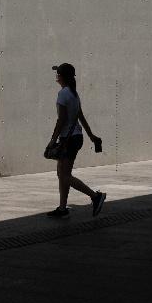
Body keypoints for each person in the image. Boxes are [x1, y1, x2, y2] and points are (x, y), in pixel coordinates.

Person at [46, 63, 106, 218]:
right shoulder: (73, 94)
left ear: (63, 77)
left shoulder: (63, 94)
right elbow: (81, 117)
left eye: (58, 73)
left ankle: (95, 196)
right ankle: (62, 208)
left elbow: (61, 120)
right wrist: (91, 136)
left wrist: (53, 140)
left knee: (64, 175)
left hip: (68, 139)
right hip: (76, 137)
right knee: (62, 174)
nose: (56, 76)